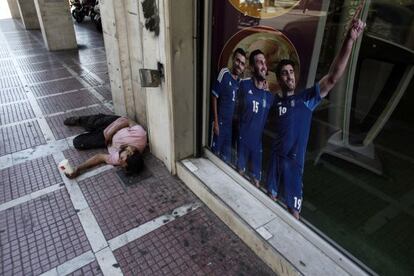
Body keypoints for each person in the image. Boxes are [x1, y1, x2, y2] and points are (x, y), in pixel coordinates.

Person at [266, 2, 366, 219]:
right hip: (274, 166)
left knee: (293, 217)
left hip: (293, 170)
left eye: (291, 72)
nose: (289, 76)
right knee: (268, 211)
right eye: (284, 73)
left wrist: (349, 40)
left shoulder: (306, 99)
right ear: (279, 79)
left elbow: (333, 77)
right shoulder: (273, 102)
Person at [63, 113, 147, 178]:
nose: (119, 161)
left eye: (121, 164)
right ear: (130, 152)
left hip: (107, 140)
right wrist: (110, 132)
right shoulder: (140, 135)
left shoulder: (121, 160)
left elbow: (100, 157)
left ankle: (93, 129)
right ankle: (80, 120)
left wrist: (78, 168)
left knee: (78, 142)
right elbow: (128, 121)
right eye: (121, 159)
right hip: (116, 124)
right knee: (94, 122)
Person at [237, 49, 274, 187]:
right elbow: (236, 110)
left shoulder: (269, 96)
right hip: (242, 140)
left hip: (257, 145)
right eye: (259, 62)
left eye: (264, 62)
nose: (263, 65)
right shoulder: (244, 85)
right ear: (252, 67)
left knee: (256, 183)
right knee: (238, 176)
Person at [211, 48, 247, 163]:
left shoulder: (240, 83)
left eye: (242, 64)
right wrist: (216, 122)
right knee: (214, 155)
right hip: (220, 123)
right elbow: (214, 97)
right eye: (237, 61)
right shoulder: (224, 73)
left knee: (225, 159)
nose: (239, 65)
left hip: (230, 128)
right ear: (233, 59)